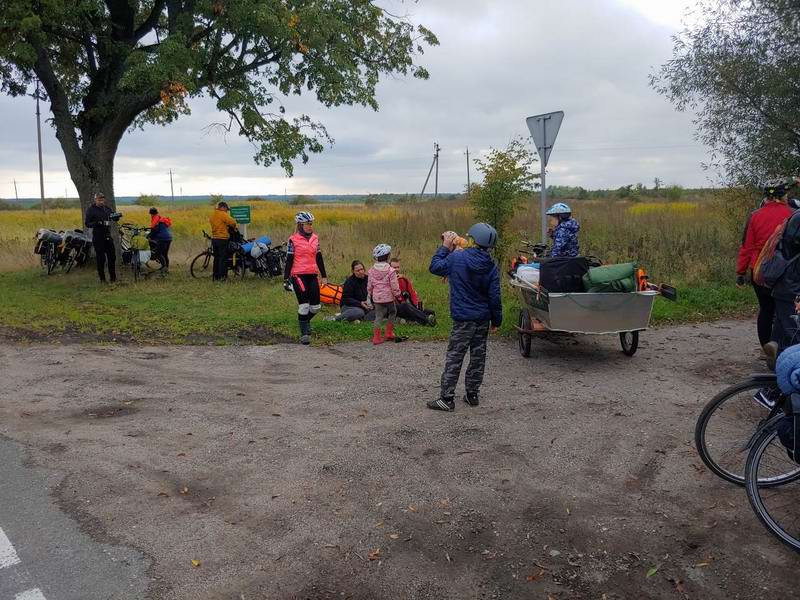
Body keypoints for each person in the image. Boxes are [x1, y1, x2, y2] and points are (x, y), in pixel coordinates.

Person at [428, 223, 502, 412]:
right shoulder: (492, 265)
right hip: (483, 318)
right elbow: (495, 296)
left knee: (455, 356)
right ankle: (472, 394)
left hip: (463, 318)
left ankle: (447, 398)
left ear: (472, 240)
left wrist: (445, 246)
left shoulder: (457, 258)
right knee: (478, 356)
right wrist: (497, 320)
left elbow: (435, 267)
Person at [736, 182, 792, 348]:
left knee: (766, 309)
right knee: (785, 309)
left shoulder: (755, 215)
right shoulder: (793, 214)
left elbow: (747, 246)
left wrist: (740, 272)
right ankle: (783, 347)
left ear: (766, 197)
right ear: (783, 196)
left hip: (759, 270)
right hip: (785, 271)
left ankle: (766, 347)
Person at [284, 211, 327, 345]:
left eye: (311, 224)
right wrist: (286, 279)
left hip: (312, 275)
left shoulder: (315, 238)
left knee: (316, 307)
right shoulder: (293, 240)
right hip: (298, 275)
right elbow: (289, 260)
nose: (310, 226)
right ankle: (304, 334)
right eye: (307, 224)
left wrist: (324, 275)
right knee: (304, 306)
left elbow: (319, 257)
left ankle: (304, 321)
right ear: (300, 225)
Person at [367, 244, 402, 344]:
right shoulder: (391, 271)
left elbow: (369, 286)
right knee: (392, 312)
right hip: (388, 298)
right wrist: (398, 295)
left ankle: (376, 338)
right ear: (388, 256)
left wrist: (369, 295)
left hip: (377, 298)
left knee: (378, 316)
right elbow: (394, 286)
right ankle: (389, 332)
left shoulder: (371, 271)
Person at [389, 257, 436, 326]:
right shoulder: (387, 280)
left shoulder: (403, 279)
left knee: (430, 311)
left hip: (408, 305)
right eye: (394, 267)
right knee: (405, 306)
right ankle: (425, 320)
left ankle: (414, 318)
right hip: (396, 306)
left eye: (398, 267)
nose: (396, 269)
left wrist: (416, 305)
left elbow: (412, 292)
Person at [84, 192, 118, 283]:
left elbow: (112, 217)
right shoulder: (91, 210)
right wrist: (97, 223)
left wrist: (116, 217)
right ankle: (102, 279)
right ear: (95, 200)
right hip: (98, 237)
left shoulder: (107, 209)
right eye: (99, 200)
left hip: (108, 236)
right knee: (101, 259)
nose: (101, 201)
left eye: (102, 199)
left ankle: (113, 278)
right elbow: (87, 223)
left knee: (112, 257)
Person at [209, 201, 238, 281]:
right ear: (223, 207)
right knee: (223, 259)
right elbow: (232, 222)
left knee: (217, 258)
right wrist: (233, 226)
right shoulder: (222, 214)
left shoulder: (213, 214)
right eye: (226, 209)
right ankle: (223, 277)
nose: (226, 211)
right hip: (222, 239)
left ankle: (216, 276)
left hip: (214, 239)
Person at [147, 207, 173, 272]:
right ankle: (166, 269)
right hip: (169, 238)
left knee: (157, 254)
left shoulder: (155, 220)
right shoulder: (160, 219)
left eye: (150, 214)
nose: (151, 216)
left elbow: (154, 231)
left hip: (162, 239)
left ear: (152, 214)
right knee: (164, 254)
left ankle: (163, 268)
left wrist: (148, 236)